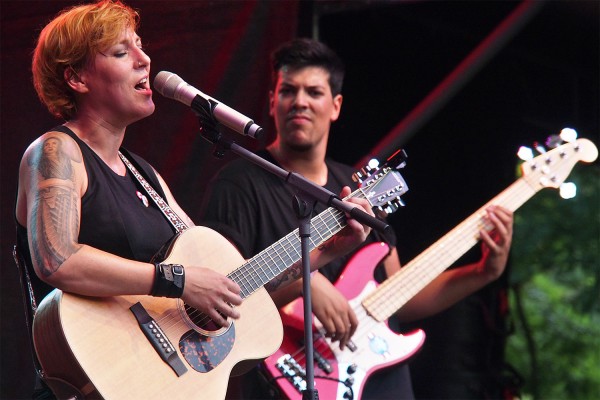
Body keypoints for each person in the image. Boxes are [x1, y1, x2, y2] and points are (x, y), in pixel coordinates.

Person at [14, 3, 374, 399]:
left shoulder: (146, 176)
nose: (144, 59)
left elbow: (229, 289)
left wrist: (326, 250)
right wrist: (178, 281)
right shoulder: (56, 152)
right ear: (76, 78)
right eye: (121, 52)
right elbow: (56, 259)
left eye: (140, 46)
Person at [198, 38, 514, 399]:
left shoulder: (360, 191)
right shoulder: (238, 182)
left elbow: (399, 296)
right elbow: (220, 295)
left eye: (314, 92)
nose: (300, 101)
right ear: (272, 101)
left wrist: (483, 272)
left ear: (335, 106)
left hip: (382, 382)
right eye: (288, 90)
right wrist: (308, 282)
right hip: (284, 380)